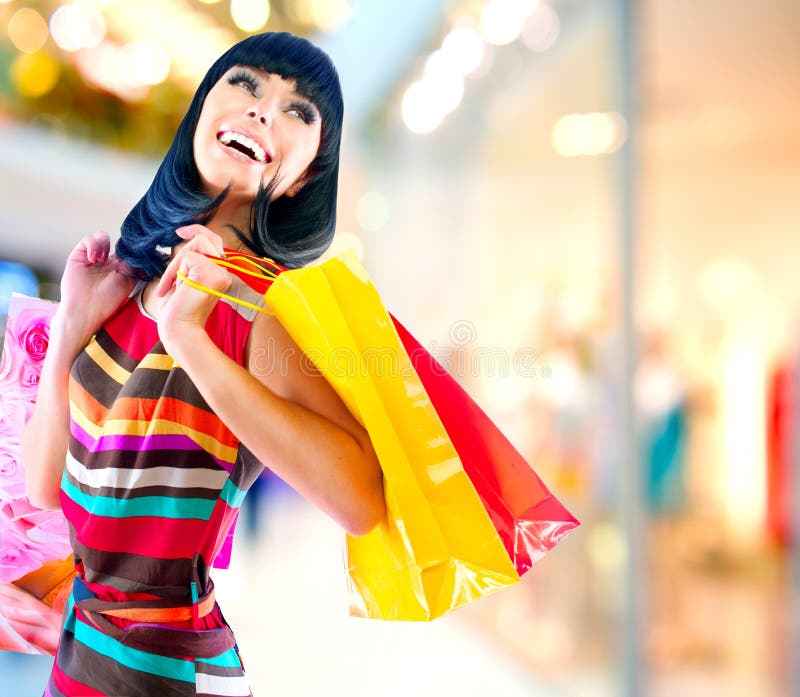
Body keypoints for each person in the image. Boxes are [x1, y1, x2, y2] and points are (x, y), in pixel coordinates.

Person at [21, 31, 385, 697]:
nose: (262, 111)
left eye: (297, 112)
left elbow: (360, 499)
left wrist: (189, 337)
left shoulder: (261, 304)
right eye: (245, 86)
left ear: (305, 173)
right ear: (200, 113)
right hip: (83, 652)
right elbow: (47, 487)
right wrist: (72, 325)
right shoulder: (130, 285)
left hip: (165, 666)